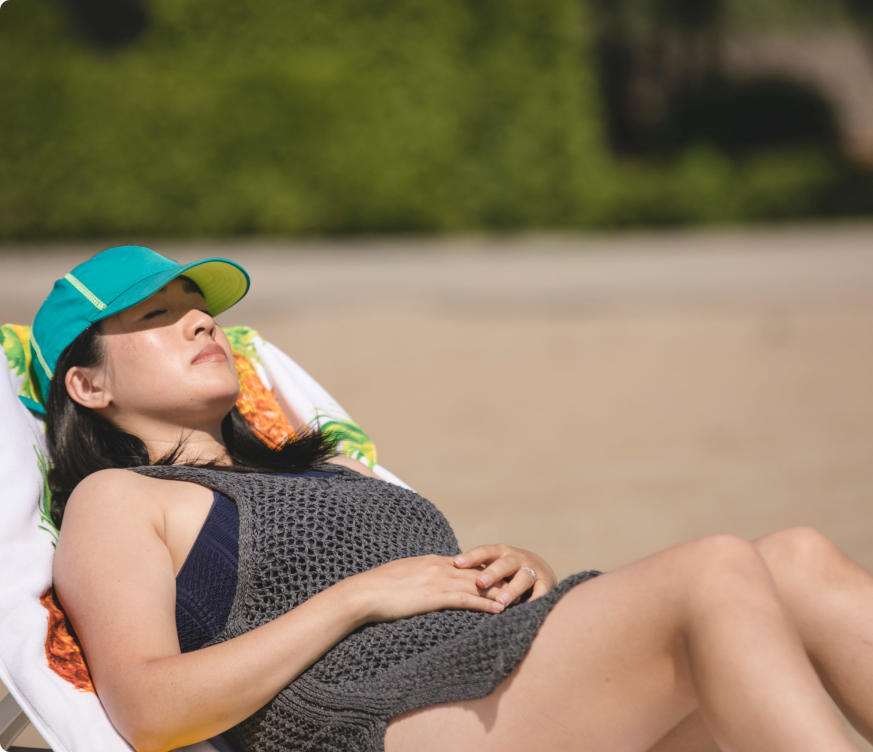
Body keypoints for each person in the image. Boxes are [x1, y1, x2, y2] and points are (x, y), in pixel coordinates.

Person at [37, 246, 873, 752]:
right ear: (88, 382)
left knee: (795, 558)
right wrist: (355, 599)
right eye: (157, 315)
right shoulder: (119, 498)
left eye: (201, 311)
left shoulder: (324, 467)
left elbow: (428, 590)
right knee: (713, 569)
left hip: (482, 680)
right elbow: (150, 712)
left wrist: (519, 573)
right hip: (369, 724)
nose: (201, 324)